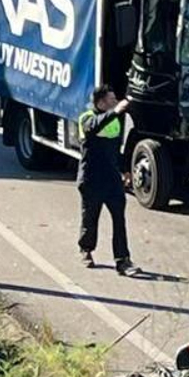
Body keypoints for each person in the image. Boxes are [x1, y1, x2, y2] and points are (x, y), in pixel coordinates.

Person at [77, 84, 136, 274]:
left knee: (119, 220)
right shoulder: (86, 118)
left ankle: (123, 260)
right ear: (101, 102)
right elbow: (93, 128)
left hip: (112, 180)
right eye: (111, 100)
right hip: (91, 179)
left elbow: (114, 149)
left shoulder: (115, 120)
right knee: (90, 218)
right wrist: (115, 112)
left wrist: (125, 170)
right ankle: (86, 249)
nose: (115, 102)